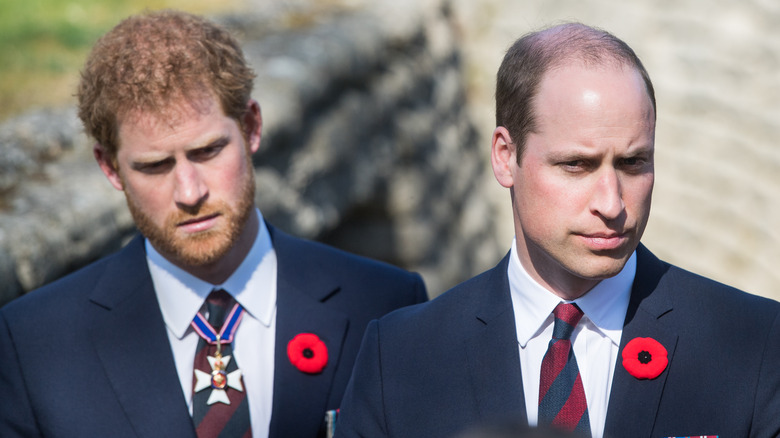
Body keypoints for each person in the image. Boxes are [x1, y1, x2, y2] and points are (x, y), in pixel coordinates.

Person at [335, 22, 780, 438]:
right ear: (506, 156)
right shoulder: (398, 357)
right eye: (576, 165)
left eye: (633, 162)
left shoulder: (755, 344)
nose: (611, 203)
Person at [0, 10, 427, 438]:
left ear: (251, 127)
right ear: (110, 168)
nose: (189, 193)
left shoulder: (385, 304)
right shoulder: (34, 344)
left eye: (207, 152)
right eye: (154, 166)